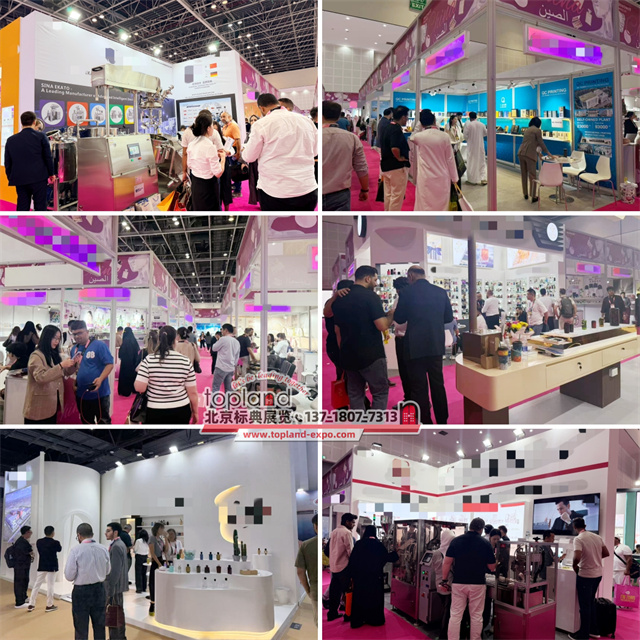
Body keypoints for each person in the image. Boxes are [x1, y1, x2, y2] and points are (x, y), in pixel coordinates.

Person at [394, 265, 454, 425]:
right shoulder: (441, 292)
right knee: (438, 384)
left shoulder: (407, 292)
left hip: (414, 347)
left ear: (410, 276)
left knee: (419, 387)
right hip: (435, 344)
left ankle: (426, 422)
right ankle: (442, 420)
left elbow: (399, 318)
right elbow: (448, 318)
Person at [331, 266, 394, 411]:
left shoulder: (340, 299)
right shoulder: (371, 297)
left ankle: (359, 423)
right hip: (371, 354)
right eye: (375, 279)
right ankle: (375, 423)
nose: (376, 283)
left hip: (348, 354)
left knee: (355, 394)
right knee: (380, 392)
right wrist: (391, 315)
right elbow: (382, 325)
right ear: (367, 278)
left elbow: (337, 330)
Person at [242, 93, 318, 211]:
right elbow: (315, 151)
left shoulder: (261, 124)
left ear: (262, 108)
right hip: (306, 187)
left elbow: (249, 157)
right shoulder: (306, 121)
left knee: (277, 222)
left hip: (275, 190)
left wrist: (244, 149)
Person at [443, 517, 496, 640]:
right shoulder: (485, 543)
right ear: (481, 529)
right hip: (477, 583)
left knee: (455, 615)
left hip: (458, 582)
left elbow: (447, 562)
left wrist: (444, 580)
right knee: (476, 616)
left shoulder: (456, 541)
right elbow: (492, 567)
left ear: (470, 527)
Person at [134, 325, 198, 424]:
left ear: (159, 340)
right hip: (181, 408)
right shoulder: (185, 361)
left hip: (154, 409)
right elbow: (192, 392)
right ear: (175, 340)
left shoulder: (149, 359)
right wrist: (195, 412)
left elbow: (139, 388)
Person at [23, 324, 79, 423]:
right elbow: (41, 377)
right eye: (54, 338)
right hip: (38, 408)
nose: (57, 341)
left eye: (58, 339)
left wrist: (73, 364)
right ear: (47, 337)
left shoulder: (53, 354)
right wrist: (61, 365)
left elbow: (64, 373)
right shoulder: (36, 356)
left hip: (52, 405)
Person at [64, 522, 111, 640]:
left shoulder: (76, 550)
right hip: (99, 590)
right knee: (100, 625)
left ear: (79, 535)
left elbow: (69, 575)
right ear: (92, 534)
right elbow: (108, 570)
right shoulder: (103, 549)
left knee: (81, 627)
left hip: (81, 592)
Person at [347, 524, 399, 629]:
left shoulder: (359, 544)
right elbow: (387, 557)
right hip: (374, 578)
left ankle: (359, 619)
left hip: (360, 578)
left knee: (359, 597)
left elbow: (352, 561)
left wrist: (351, 576)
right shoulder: (378, 545)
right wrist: (396, 552)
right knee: (374, 598)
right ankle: (374, 619)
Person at [3, 110, 55, 211]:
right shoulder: (41, 137)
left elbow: (8, 162)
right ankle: (39, 222)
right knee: (40, 207)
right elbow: (48, 157)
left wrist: (11, 177)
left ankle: (21, 222)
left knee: (22, 206)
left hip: (20, 179)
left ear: (21, 122)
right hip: (39, 178)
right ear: (34, 122)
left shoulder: (11, 140)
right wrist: (51, 173)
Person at [322, 100, 369, 211]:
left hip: (314, 192)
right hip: (340, 194)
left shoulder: (312, 136)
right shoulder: (352, 138)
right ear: (338, 116)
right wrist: (364, 189)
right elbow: (361, 167)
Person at [409, 109, 459, 211]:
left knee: (425, 204)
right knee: (442, 206)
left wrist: (419, 124)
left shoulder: (419, 137)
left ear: (421, 123)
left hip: (426, 177)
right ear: (434, 120)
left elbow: (412, 137)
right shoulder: (444, 136)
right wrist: (454, 178)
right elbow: (450, 159)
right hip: (442, 176)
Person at [569, 517, 610, 640]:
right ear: (585, 525)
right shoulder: (597, 537)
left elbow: (577, 557)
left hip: (585, 575)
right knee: (591, 603)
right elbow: (606, 553)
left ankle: (583, 635)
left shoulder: (578, 539)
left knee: (585, 606)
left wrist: (574, 565)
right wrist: (594, 558)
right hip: (597, 574)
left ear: (574, 527)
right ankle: (594, 630)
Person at [70, 321, 114, 424]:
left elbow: (110, 364)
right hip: (82, 393)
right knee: (86, 422)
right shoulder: (74, 349)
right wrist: (75, 380)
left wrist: (100, 379)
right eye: (74, 334)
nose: (77, 336)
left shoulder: (99, 345)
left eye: (80, 333)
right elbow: (76, 368)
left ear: (87, 332)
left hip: (99, 393)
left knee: (103, 423)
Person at [187, 111, 226, 210]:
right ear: (208, 128)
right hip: (208, 186)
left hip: (196, 184)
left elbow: (189, 164)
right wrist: (223, 159)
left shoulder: (191, 144)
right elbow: (218, 173)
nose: (213, 128)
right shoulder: (209, 146)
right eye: (212, 126)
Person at [380, 106, 411, 211]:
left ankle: (387, 214)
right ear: (403, 117)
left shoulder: (388, 127)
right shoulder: (396, 129)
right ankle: (393, 216)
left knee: (388, 194)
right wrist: (399, 158)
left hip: (386, 165)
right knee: (397, 195)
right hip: (396, 167)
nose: (407, 119)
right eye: (407, 117)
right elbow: (394, 147)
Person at [327, 513, 357, 622]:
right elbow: (351, 552)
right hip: (344, 567)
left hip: (334, 566)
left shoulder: (334, 532)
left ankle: (332, 613)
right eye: (352, 522)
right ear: (347, 522)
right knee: (348, 592)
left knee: (334, 592)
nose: (354, 525)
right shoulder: (347, 533)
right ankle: (348, 614)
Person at [323, 280, 353, 383]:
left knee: (343, 371)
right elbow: (327, 313)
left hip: (338, 343)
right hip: (336, 344)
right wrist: (335, 296)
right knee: (344, 371)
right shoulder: (334, 303)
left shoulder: (346, 303)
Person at [518, 117, 553, 202]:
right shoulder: (537, 131)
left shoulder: (527, 130)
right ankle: (533, 196)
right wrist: (548, 153)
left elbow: (532, 143)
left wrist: (539, 153)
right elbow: (540, 143)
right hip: (529, 155)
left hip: (521, 153)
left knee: (524, 174)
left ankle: (525, 194)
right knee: (532, 176)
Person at [27, 525, 61, 612]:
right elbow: (59, 549)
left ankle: (31, 604)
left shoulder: (39, 542)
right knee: (50, 585)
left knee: (37, 585)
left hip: (42, 565)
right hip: (52, 566)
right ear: (53, 533)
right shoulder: (55, 542)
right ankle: (49, 605)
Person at [104, 522, 128, 640]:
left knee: (114, 614)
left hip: (115, 587)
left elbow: (115, 571)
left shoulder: (117, 546)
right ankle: (120, 637)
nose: (106, 533)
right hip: (118, 586)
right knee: (117, 613)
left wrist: (110, 590)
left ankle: (116, 638)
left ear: (115, 532)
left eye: (108, 531)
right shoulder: (119, 544)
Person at [295, 514, 318, 626]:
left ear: (315, 526)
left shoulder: (306, 545)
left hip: (315, 588)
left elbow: (300, 572)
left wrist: (308, 590)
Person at [432, 528, 456, 640]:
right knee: (447, 611)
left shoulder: (435, 552)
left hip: (439, 583)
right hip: (448, 584)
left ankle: (443, 632)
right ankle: (444, 634)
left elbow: (434, 567)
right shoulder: (450, 554)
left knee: (444, 608)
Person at [392, 276, 411, 403]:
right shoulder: (398, 300)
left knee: (410, 372)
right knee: (404, 372)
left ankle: (415, 400)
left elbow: (400, 319)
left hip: (407, 339)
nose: (397, 291)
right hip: (400, 338)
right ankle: (408, 398)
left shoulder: (407, 300)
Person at [211, 323, 240, 395]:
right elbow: (237, 357)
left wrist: (218, 340)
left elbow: (214, 348)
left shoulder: (223, 339)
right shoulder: (236, 342)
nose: (221, 332)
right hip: (231, 368)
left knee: (216, 387)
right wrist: (234, 366)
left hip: (221, 367)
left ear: (226, 330)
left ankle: (213, 402)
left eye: (222, 330)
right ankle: (227, 402)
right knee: (228, 388)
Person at [219, 111, 243, 198]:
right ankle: (235, 187)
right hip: (228, 150)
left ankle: (238, 191)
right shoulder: (224, 127)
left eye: (224, 116)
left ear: (230, 117)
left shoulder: (233, 126)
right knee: (231, 170)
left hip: (235, 150)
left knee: (236, 171)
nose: (222, 118)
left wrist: (238, 153)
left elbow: (238, 140)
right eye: (221, 117)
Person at [147, 523, 167, 616]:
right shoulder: (152, 538)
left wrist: (166, 538)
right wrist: (159, 564)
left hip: (161, 560)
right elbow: (152, 553)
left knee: (160, 583)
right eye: (161, 528)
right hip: (156, 562)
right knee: (153, 583)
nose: (162, 530)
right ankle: (152, 603)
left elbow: (165, 550)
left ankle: (160, 603)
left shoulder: (161, 539)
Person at [13, 525, 34, 608]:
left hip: (23, 566)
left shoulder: (22, 541)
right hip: (21, 566)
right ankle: (19, 602)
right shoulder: (21, 542)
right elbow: (29, 551)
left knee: (24, 581)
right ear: (27, 532)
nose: (31, 533)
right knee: (20, 583)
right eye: (30, 532)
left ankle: (23, 597)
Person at [463, 112, 487, 186]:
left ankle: (472, 180)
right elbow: (485, 133)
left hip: (471, 147)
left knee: (471, 162)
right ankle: (482, 178)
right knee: (481, 161)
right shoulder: (481, 124)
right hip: (480, 146)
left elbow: (465, 136)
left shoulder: (469, 125)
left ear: (470, 117)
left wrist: (470, 138)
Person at [117, 327, 139, 397]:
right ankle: (132, 389)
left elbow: (121, 354)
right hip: (133, 363)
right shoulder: (134, 340)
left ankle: (125, 391)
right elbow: (137, 350)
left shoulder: (125, 341)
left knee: (124, 377)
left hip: (125, 363)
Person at [133, 529, 149, 594]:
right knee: (144, 573)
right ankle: (144, 587)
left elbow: (135, 549)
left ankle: (139, 588)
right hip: (146, 557)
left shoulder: (138, 541)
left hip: (139, 556)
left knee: (138, 573)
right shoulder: (147, 541)